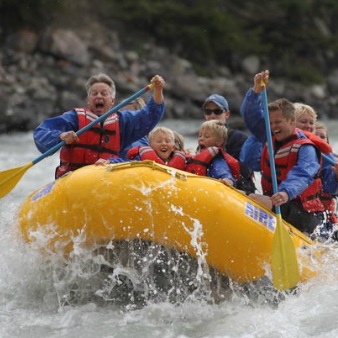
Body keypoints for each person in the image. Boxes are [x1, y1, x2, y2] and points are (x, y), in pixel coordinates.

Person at [240, 70, 328, 235]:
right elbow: (250, 116)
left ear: (291, 121)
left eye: (278, 122)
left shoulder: (306, 148)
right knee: (241, 193)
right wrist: (256, 91)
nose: (273, 126)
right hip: (277, 202)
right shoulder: (270, 136)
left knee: (265, 201)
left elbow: (303, 174)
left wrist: (285, 193)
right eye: (271, 122)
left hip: (306, 215)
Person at [33, 73, 166, 178]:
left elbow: (150, 115)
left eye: (104, 93)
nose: (98, 96)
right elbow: (41, 132)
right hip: (72, 179)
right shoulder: (74, 118)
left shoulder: (123, 122)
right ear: (88, 100)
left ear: (112, 100)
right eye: (94, 93)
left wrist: (158, 90)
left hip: (107, 178)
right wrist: (60, 136)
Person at [186, 120, 247, 189]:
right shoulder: (195, 156)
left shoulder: (217, 161)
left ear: (219, 142)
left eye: (206, 137)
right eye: (200, 136)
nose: (201, 139)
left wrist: (228, 180)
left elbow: (223, 172)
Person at [97, 126, 186, 170]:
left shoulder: (180, 160)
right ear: (149, 146)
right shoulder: (142, 158)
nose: (163, 144)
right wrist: (110, 161)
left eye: (167, 141)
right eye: (159, 141)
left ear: (173, 147)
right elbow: (127, 163)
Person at [202, 94, 248, 160]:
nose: (212, 115)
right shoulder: (202, 140)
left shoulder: (239, 138)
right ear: (205, 115)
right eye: (208, 111)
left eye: (217, 111)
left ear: (227, 114)